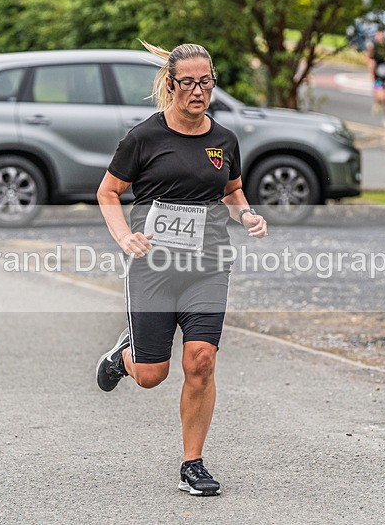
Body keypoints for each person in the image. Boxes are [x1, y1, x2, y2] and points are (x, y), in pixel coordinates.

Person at [95, 41, 267, 497]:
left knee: (202, 362)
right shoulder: (143, 138)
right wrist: (124, 237)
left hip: (208, 264)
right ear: (171, 84)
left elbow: (232, 191)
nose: (197, 91)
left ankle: (193, 463)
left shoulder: (224, 140)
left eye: (205, 82)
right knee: (152, 375)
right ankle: (124, 355)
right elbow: (108, 192)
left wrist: (247, 214)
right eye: (187, 82)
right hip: (152, 267)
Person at [365, 26, 385, 130]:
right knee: (380, 96)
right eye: (378, 34)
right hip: (378, 76)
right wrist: (371, 66)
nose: (379, 36)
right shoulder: (373, 46)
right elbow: (367, 58)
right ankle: (377, 104)